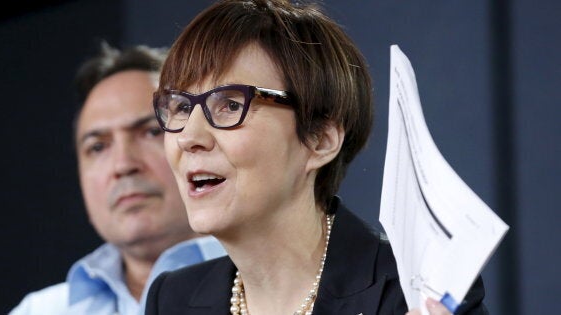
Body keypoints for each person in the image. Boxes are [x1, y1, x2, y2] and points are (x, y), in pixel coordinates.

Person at [145, 1, 487, 315]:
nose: (189, 137)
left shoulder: (416, 292)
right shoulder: (173, 298)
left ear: (320, 141)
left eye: (231, 105)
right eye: (181, 107)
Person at [10, 41, 225, 315]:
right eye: (97, 147)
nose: (123, 165)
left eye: (150, 132)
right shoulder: (39, 311)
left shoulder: (269, 288)